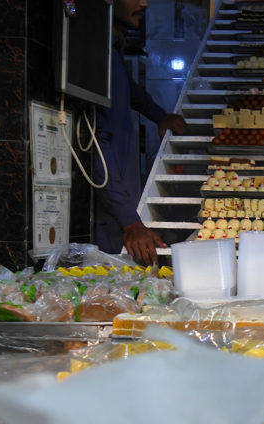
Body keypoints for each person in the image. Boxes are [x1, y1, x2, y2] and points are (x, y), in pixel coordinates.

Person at [94, 0, 187, 265]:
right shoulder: (94, 56)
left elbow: (132, 92)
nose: (145, 3)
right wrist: (129, 221)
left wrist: (162, 116)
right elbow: (96, 144)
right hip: (111, 211)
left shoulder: (113, 52)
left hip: (125, 207)